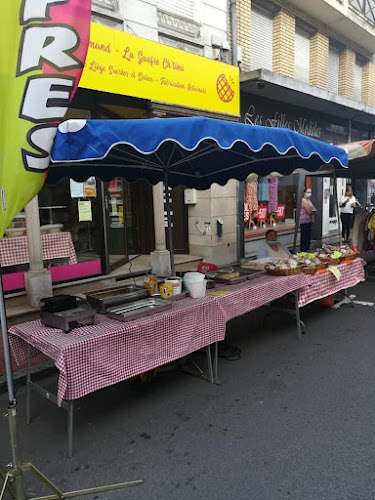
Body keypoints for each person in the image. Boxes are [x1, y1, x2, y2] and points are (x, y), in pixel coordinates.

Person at [299, 187, 316, 252]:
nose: (309, 194)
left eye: (310, 192)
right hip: (304, 221)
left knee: (308, 237)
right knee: (304, 237)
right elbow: (309, 211)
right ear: (304, 193)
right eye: (308, 192)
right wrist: (312, 210)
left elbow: (313, 209)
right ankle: (303, 251)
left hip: (309, 220)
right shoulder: (303, 200)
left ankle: (307, 250)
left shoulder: (308, 200)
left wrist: (312, 210)